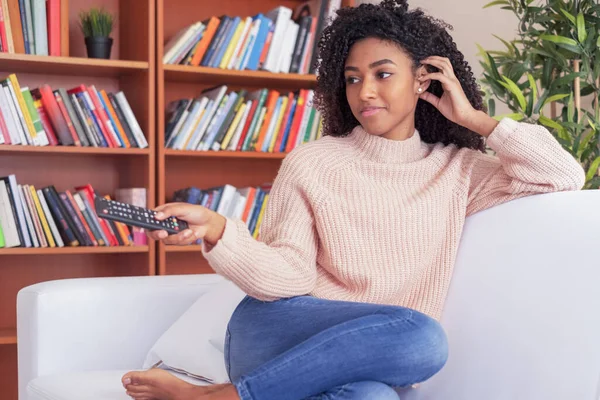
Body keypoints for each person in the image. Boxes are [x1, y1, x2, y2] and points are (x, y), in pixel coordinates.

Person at [122, 0, 586, 399]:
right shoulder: (314, 161)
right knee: (424, 338)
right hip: (275, 330)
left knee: (373, 394)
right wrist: (220, 232)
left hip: (370, 355)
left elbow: (562, 174)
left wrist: (477, 120)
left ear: (424, 81)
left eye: (383, 75)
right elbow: (287, 275)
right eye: (352, 78)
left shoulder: (460, 170)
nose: (365, 91)